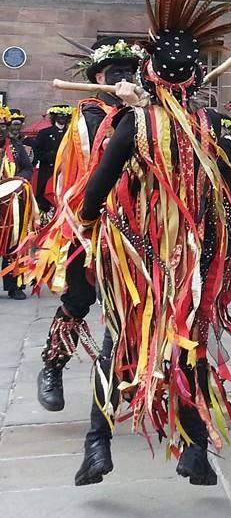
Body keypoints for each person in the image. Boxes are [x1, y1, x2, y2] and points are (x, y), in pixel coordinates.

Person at [72, 0, 231, 486]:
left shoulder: (135, 123)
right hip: (196, 263)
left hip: (140, 258)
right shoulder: (215, 125)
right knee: (193, 343)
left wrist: (90, 224)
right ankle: (195, 450)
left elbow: (96, 191)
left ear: (150, 74)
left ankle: (97, 444)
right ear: (196, 78)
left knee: (120, 343)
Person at [33, 36, 144, 413]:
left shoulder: (142, 111)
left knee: (127, 306)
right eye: (117, 72)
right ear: (98, 77)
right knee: (78, 299)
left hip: (133, 229)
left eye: (132, 71)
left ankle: (115, 384)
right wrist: (135, 108)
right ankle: (52, 365)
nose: (127, 77)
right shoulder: (90, 114)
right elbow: (106, 152)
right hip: (89, 225)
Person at [0, 106, 34, 300]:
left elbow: (27, 169)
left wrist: (17, 181)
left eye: (3, 126)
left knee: (13, 244)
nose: (1, 130)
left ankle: (14, 287)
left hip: (11, 204)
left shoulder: (16, 147)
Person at [31, 105, 73, 214]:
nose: (62, 118)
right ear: (54, 117)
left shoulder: (72, 133)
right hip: (48, 172)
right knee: (45, 200)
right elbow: (37, 152)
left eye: (65, 115)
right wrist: (50, 156)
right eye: (60, 115)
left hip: (65, 172)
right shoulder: (44, 133)